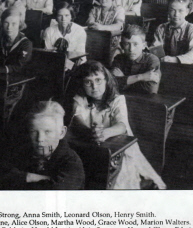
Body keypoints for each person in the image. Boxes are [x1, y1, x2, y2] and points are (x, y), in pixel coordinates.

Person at [67, 61, 166, 189]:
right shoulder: (80, 99)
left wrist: (105, 133)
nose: (94, 86)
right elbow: (77, 118)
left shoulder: (117, 100)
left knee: (121, 178)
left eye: (98, 80)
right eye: (88, 82)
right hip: (93, 146)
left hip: (120, 148)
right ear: (82, 84)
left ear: (106, 80)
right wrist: (91, 131)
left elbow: (122, 125)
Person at [0, 101, 85, 190]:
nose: (39, 139)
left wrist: (19, 180)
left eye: (47, 132)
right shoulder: (23, 150)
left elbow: (52, 195)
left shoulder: (72, 163)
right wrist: (29, 177)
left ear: (61, 133)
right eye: (34, 131)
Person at [153, 0, 193, 64]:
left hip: (188, 67)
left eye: (180, 10)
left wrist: (175, 59)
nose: (176, 14)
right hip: (167, 66)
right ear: (168, 11)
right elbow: (156, 49)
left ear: (187, 11)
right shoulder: (161, 28)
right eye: (172, 10)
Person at [111, 24, 160, 94]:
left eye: (135, 44)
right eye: (127, 44)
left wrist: (124, 79)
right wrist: (140, 77)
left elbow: (150, 89)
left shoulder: (152, 60)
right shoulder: (119, 59)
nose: (131, 49)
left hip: (144, 101)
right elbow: (112, 84)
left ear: (144, 45)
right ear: (122, 45)